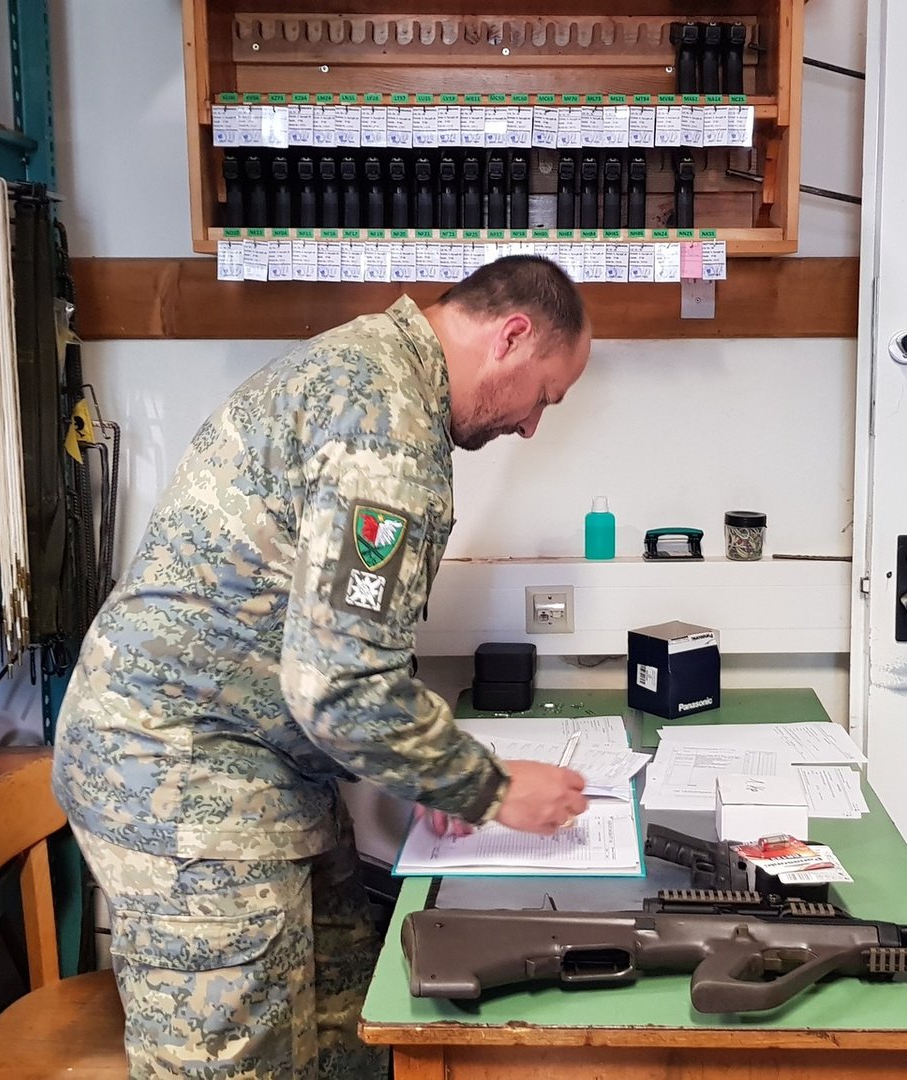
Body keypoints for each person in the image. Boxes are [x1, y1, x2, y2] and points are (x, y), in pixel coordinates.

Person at [52, 255, 595, 1079]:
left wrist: (426, 773)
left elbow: (346, 643)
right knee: (239, 1064)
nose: (530, 427)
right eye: (544, 397)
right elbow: (342, 683)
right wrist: (488, 787)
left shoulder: (376, 373)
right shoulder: (384, 420)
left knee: (351, 1026)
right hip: (183, 775)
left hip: (263, 763)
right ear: (513, 336)